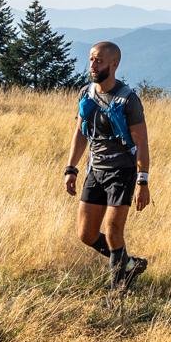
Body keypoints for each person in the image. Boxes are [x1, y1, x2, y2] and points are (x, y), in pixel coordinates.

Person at [63, 41, 152, 291]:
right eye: (91, 59)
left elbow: (141, 141)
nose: (93, 64)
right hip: (96, 170)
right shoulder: (87, 93)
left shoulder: (128, 100)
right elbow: (80, 133)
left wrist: (142, 181)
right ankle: (130, 264)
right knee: (86, 234)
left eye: (99, 60)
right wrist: (71, 168)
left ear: (114, 64)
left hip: (122, 172)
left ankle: (117, 293)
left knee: (113, 231)